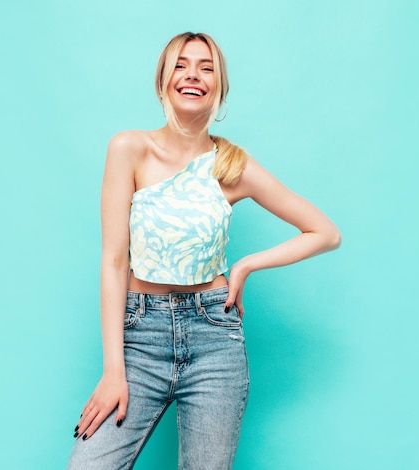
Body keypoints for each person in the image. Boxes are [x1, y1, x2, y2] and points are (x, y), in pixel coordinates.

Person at [66, 32, 341, 469]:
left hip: (215, 337)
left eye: (206, 67)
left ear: (219, 88)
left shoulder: (232, 166)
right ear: (162, 82)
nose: (193, 75)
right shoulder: (129, 148)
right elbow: (115, 261)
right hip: (140, 335)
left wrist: (247, 264)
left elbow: (325, 232)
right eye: (181, 65)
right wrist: (114, 371)